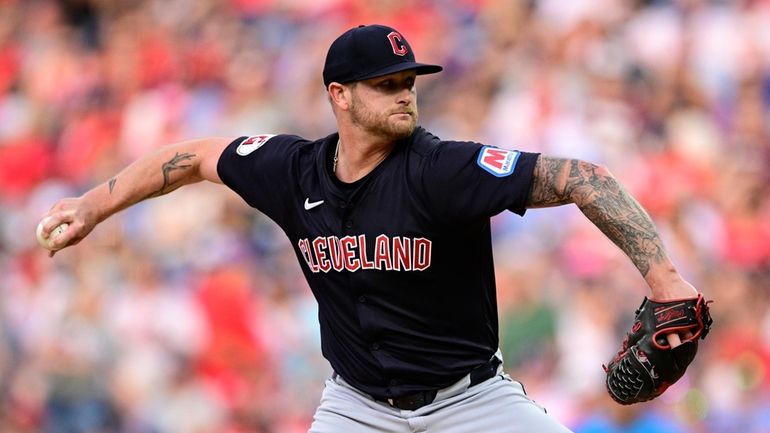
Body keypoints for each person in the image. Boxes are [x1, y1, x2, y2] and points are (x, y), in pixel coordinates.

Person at [39, 24, 701, 433]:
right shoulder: (292, 170)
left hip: (468, 403)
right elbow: (190, 158)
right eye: (386, 84)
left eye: (408, 81)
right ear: (340, 95)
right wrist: (94, 205)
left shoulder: (441, 168)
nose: (405, 94)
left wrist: (663, 275)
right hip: (357, 407)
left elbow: (583, 176)